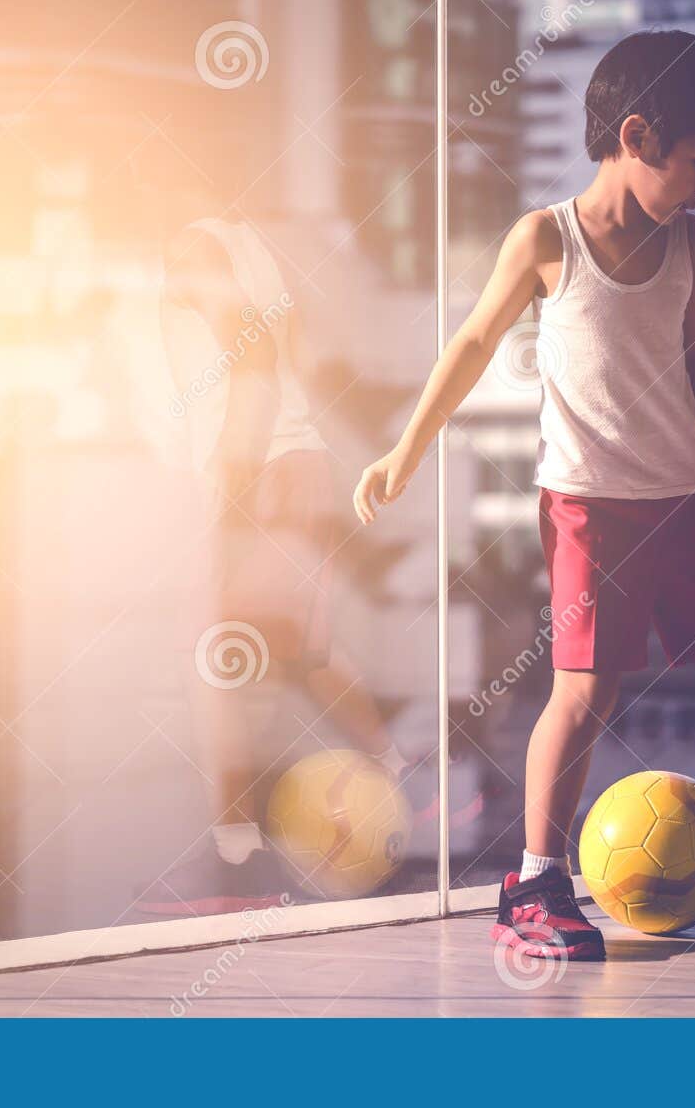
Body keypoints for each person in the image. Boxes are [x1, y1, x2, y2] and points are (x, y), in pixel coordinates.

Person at [352, 30, 695, 960]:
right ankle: (535, 881)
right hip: (589, 508)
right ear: (636, 135)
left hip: (689, 497)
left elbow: (692, 362)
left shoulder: (692, 242)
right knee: (585, 692)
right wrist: (402, 451)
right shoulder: (544, 238)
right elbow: (471, 345)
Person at [132, 176, 477, 916]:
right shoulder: (245, 242)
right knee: (300, 648)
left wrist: (233, 472)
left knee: (216, 658)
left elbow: (251, 350)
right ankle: (418, 783)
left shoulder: (196, 245)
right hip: (296, 465)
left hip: (262, 468)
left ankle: (233, 864)